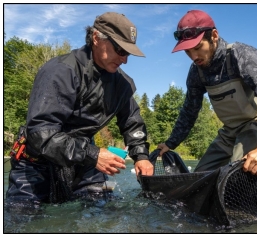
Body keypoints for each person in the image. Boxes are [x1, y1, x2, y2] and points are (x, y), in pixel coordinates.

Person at [6, 12, 153, 205]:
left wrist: (141, 156)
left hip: (83, 164)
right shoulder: (60, 71)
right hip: (36, 164)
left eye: (127, 53)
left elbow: (132, 123)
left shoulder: (123, 85)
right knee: (22, 221)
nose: (124, 59)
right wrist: (93, 154)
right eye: (120, 49)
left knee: (104, 211)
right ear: (96, 37)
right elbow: (40, 134)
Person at [156, 10, 257, 176]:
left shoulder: (242, 56)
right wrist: (171, 143)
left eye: (198, 47)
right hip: (228, 132)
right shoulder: (196, 72)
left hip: (254, 125)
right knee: (198, 179)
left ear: (214, 35)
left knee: (237, 175)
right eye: (188, 51)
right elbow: (189, 111)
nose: (194, 56)